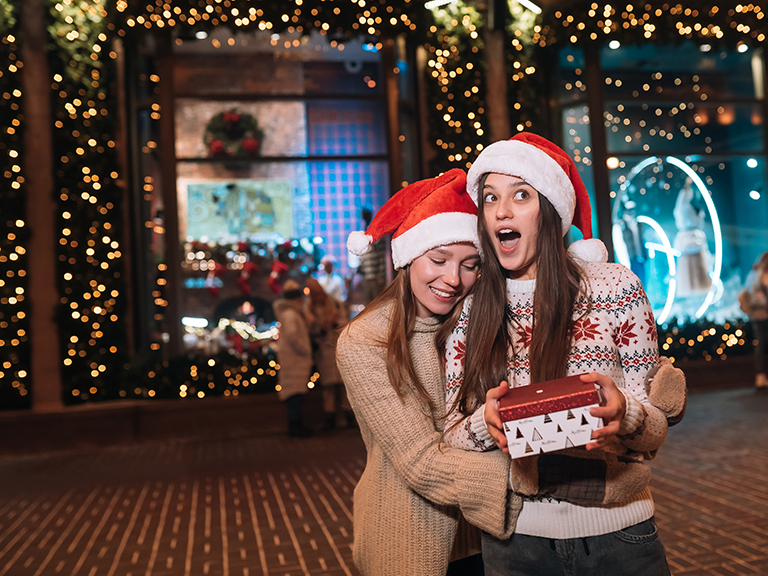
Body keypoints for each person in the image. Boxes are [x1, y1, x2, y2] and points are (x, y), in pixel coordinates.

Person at [443, 133, 685, 575]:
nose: (501, 211)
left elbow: (655, 429)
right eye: (491, 197)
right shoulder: (473, 308)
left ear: (550, 212)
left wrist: (625, 414)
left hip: (622, 537)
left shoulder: (615, 288)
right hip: (517, 545)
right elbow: (449, 432)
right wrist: (487, 420)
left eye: (521, 195)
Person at [338, 169, 521, 576]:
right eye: (438, 260)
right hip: (409, 539)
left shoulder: (480, 322)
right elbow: (421, 462)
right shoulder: (365, 340)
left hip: (494, 543)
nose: (453, 280)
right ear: (406, 258)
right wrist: (528, 479)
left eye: (471, 265)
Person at [304, 278, 354, 428]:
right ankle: (330, 416)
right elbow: (309, 329)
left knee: (345, 384)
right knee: (329, 387)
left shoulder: (335, 304)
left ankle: (348, 416)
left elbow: (344, 323)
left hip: (338, 348)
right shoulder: (309, 308)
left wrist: (333, 323)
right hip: (324, 351)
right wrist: (319, 326)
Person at [272, 279, 313, 437]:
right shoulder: (290, 314)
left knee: (295, 394)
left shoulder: (289, 313)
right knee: (294, 395)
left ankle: (297, 424)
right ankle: (296, 426)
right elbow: (293, 336)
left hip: (294, 361)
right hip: (294, 361)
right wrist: (305, 350)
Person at [739, 251, 768, 390]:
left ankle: (760, 374)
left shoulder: (753, 274)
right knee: (762, 343)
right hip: (763, 314)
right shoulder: (762, 275)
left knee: (761, 343)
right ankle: (761, 374)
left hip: (756, 314)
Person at [357, 207, 388, 304]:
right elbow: (362, 255)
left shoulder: (376, 233)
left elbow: (382, 256)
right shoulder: (363, 233)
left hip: (375, 276)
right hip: (366, 275)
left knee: (377, 303)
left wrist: (381, 276)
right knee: (367, 303)